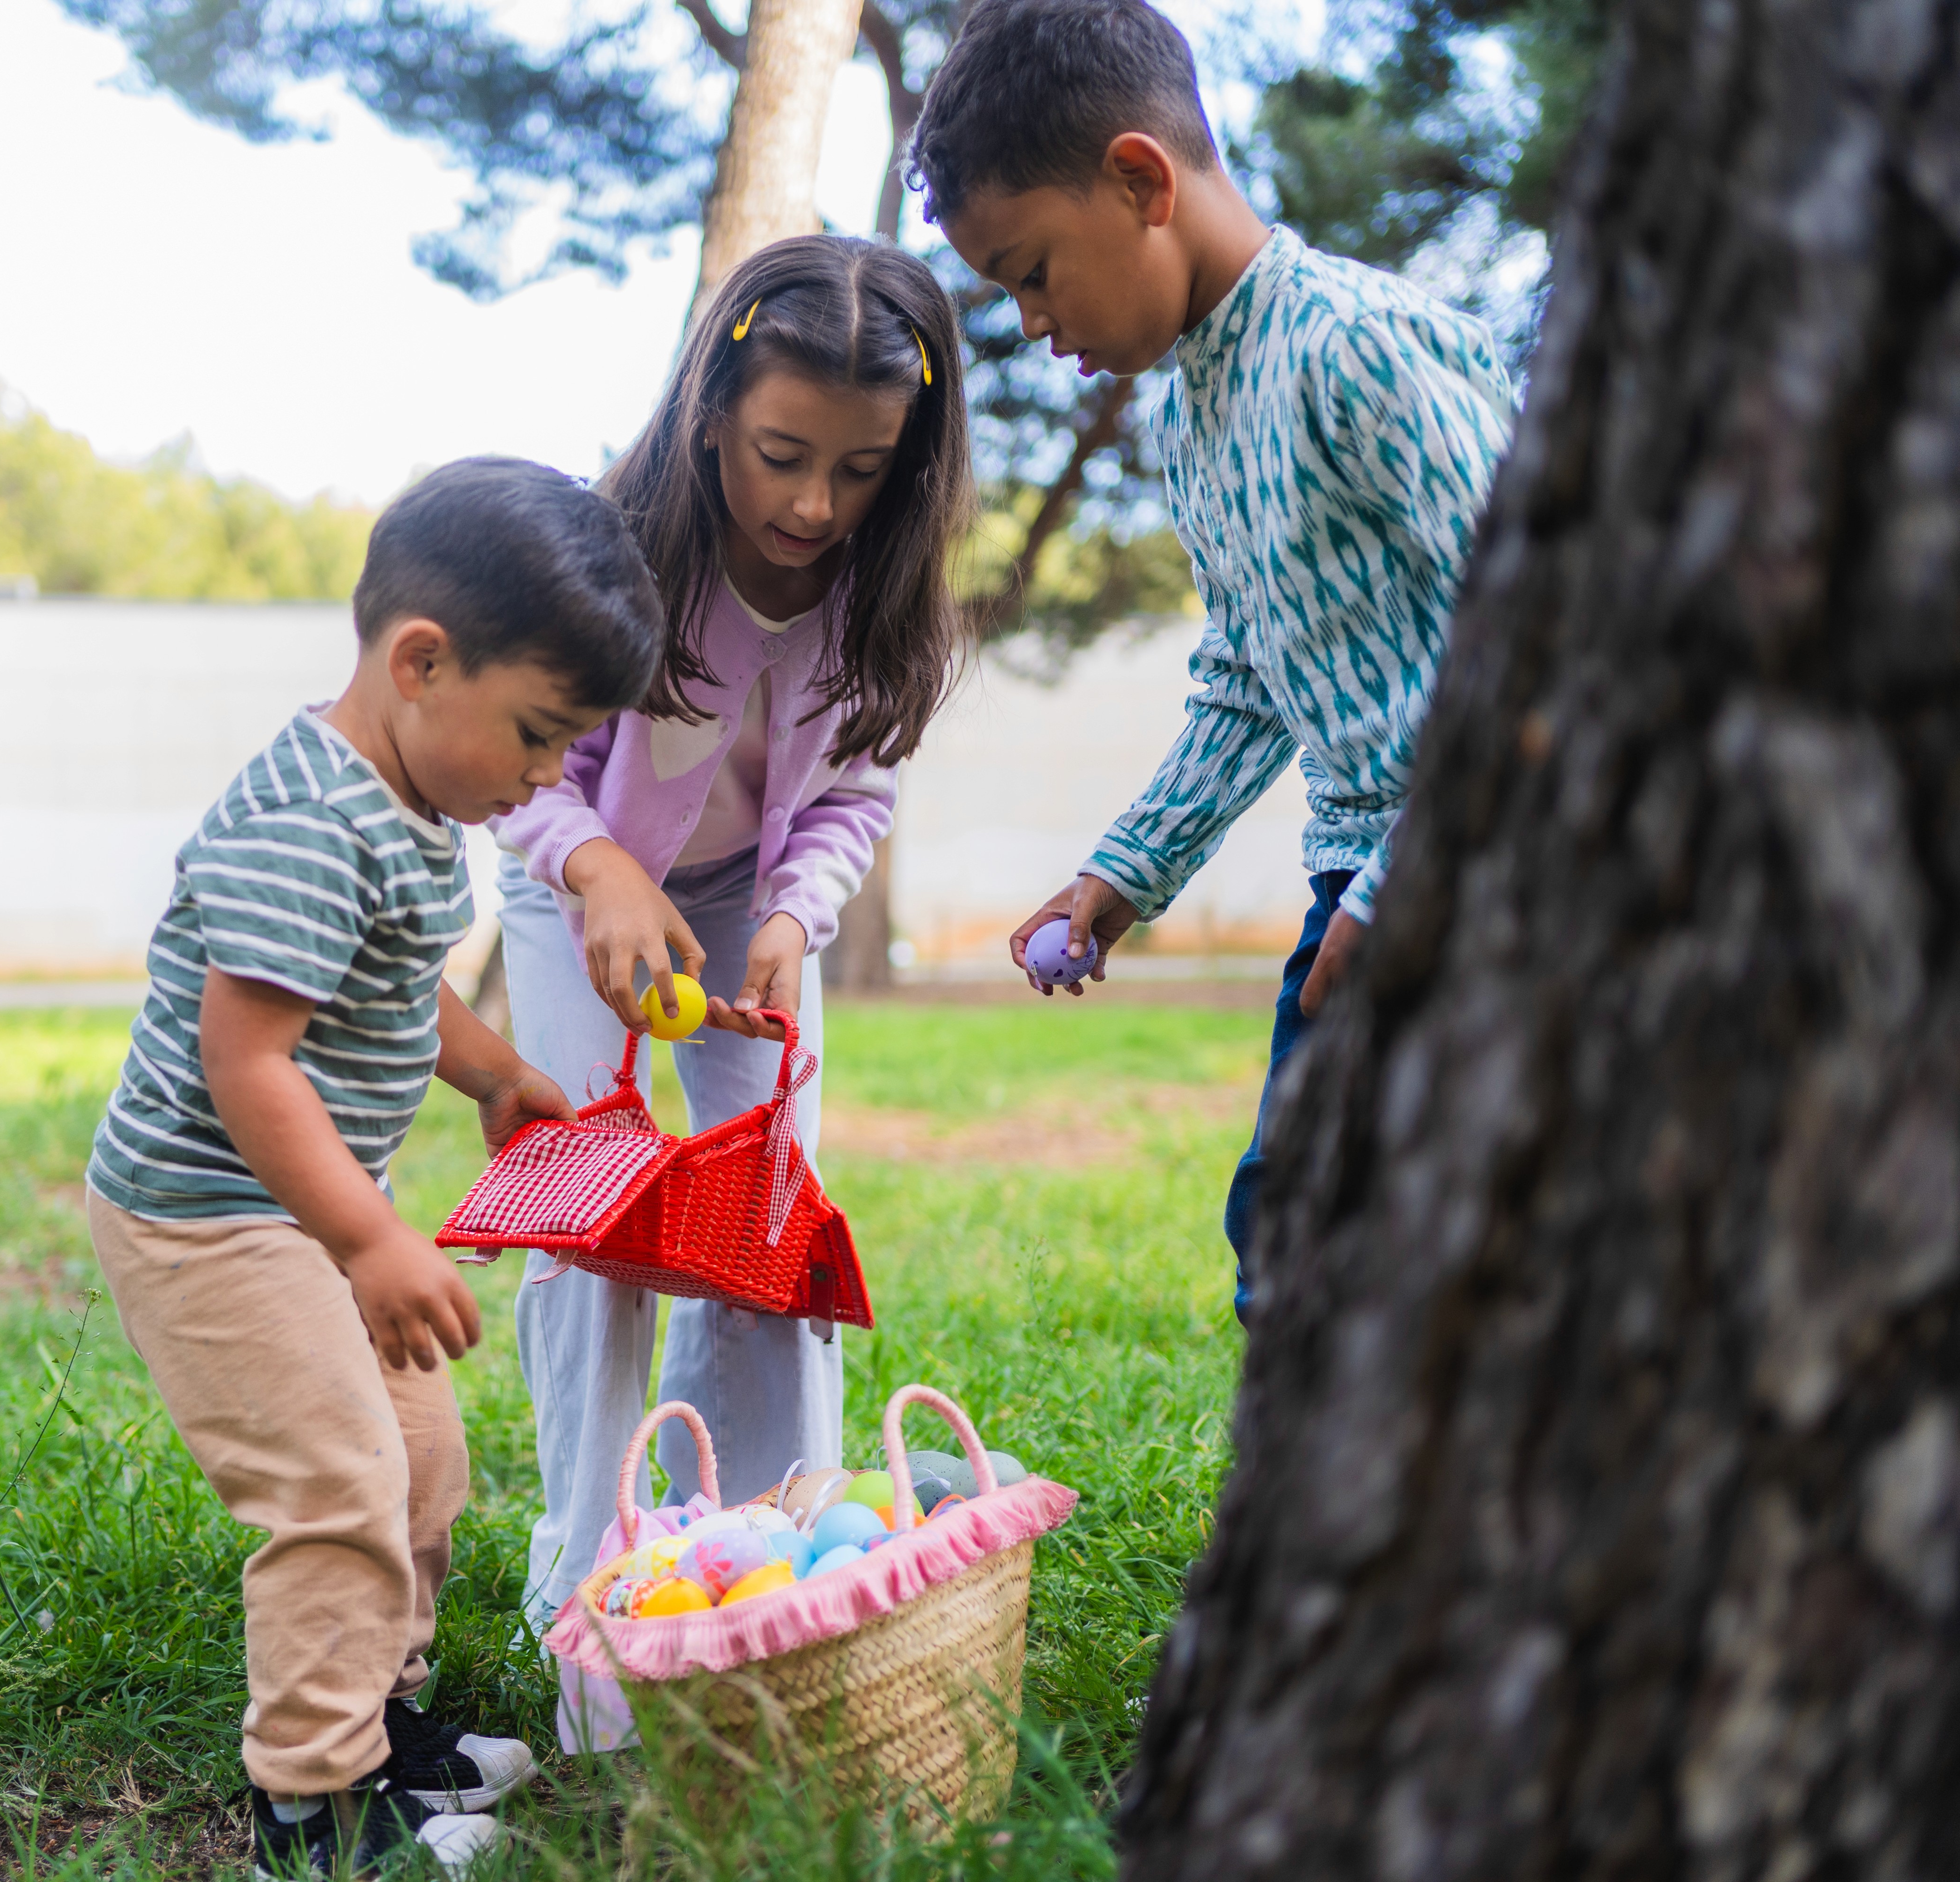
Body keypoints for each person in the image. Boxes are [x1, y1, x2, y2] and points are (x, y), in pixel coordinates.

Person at [85, 457, 666, 1877]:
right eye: (539, 738)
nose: (546, 781)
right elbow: (252, 1066)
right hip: (213, 1216)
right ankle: (319, 1802)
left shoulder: (406, 805)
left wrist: (496, 1071)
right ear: (422, 662)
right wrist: (369, 1243)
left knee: (419, 1456)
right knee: (339, 1480)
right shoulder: (306, 820)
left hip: (308, 1205)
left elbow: (396, 990)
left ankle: (384, 1721)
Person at [910, 0, 1517, 1316]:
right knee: (1295, 1233)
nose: (1027, 321)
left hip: (1504, 869)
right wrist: (1122, 877)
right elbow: (1252, 677)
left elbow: (1541, 626)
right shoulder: (1194, 414)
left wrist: (1403, 880)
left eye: (1031, 270)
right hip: (1359, 876)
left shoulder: (1354, 348)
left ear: (1140, 181)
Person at [491, 234, 975, 1627]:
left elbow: (853, 792)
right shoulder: (613, 551)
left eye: (861, 468)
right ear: (710, 414)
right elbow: (528, 766)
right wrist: (594, 869)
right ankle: (588, 1582)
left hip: (742, 919)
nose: (816, 502)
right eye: (781, 453)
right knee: (598, 1228)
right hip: (579, 882)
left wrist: (790, 916)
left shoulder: (880, 595)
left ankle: (757, 1565)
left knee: (771, 1224)